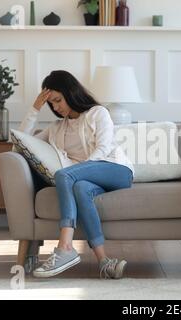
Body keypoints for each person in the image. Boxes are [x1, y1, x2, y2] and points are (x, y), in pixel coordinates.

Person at [18, 70, 134, 279]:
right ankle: (104, 261)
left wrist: (76, 172)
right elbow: (21, 141)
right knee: (79, 188)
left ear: (70, 92)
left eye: (58, 100)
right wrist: (35, 109)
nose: (56, 107)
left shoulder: (98, 113)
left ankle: (65, 247)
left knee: (65, 176)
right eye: (51, 103)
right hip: (86, 179)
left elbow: (103, 148)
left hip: (115, 169)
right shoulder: (56, 128)